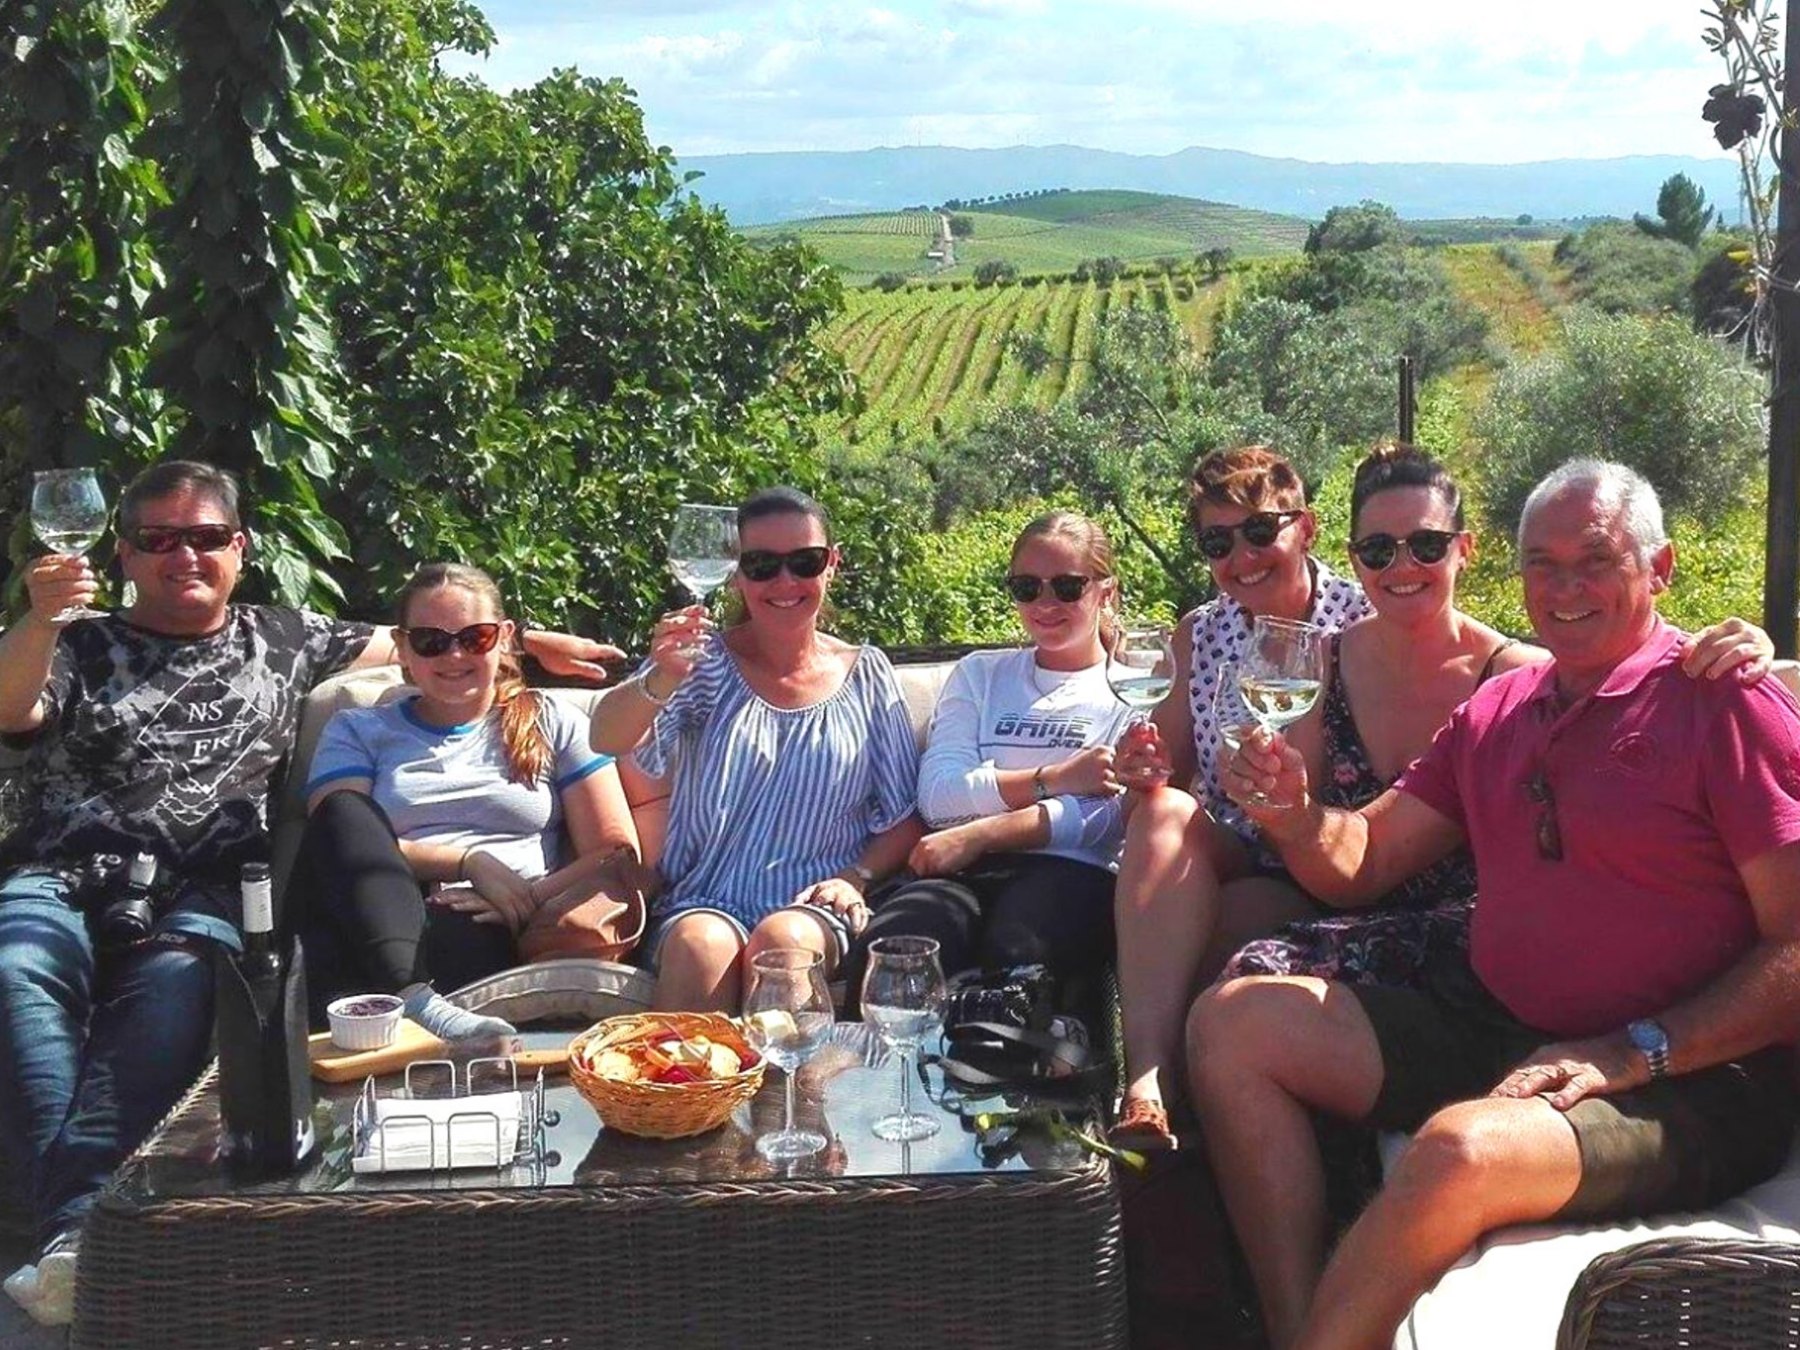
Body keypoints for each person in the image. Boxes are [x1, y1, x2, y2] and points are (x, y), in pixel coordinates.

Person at [1197, 459, 1800, 1350]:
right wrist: (1291, 815)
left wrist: (1636, 1051)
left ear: (1659, 568)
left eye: (1593, 560)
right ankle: (1293, 1328)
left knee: (1458, 1153)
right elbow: (1361, 860)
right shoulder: (1501, 709)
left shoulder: (1722, 702)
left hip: (1689, 1079)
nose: (1563, 588)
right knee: (1237, 1026)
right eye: (1541, 563)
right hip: (1503, 1028)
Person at [0, 460, 620, 1325]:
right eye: (158, 539)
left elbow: (423, 633)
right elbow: (8, 707)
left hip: (212, 890)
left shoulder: (285, 637)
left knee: (175, 994)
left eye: (207, 537)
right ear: (125, 553)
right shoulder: (76, 642)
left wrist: (534, 642)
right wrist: (38, 616)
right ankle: (71, 1234)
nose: (185, 554)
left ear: (240, 549)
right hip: (60, 876)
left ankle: (68, 1238)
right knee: (16, 975)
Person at [1109, 445, 1370, 1144]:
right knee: (1165, 815)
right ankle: (1145, 1084)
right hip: (1236, 843)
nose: (1241, 558)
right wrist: (1141, 773)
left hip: (1321, 860)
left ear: (1305, 529)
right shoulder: (1202, 631)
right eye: (1218, 542)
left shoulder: (1362, 624)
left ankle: (1179, 1139)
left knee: (1222, 927)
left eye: (1260, 532)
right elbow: (1158, 782)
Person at [590, 486, 921, 1011]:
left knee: (784, 943)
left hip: (814, 902)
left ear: (831, 565)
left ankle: (789, 1096)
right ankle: (685, 1094)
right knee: (702, 946)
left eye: (804, 562)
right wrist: (660, 676)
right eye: (762, 565)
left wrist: (854, 878)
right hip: (706, 899)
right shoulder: (703, 665)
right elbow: (605, 736)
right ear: (736, 574)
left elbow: (904, 816)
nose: (785, 582)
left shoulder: (866, 673)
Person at [300, 563, 646, 1042]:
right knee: (341, 812)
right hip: (376, 899)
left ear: (504, 637)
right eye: (431, 641)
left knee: (450, 933)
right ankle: (416, 1000)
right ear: (402, 648)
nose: (454, 654)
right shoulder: (358, 728)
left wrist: (522, 897)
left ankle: (405, 1010)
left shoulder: (553, 721)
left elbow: (616, 851)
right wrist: (469, 860)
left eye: (475, 637)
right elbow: (337, 839)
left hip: (489, 920)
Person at [846, 511, 1134, 997]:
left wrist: (979, 833)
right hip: (957, 872)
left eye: (1066, 587)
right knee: (893, 957)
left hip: (1070, 872)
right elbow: (938, 797)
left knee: (1018, 960)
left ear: (1105, 591)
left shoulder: (1134, 691)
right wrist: (1061, 777)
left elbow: (1109, 816)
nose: (1044, 604)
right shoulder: (981, 674)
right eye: (1027, 587)